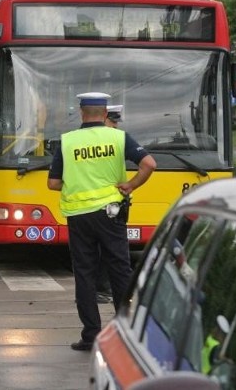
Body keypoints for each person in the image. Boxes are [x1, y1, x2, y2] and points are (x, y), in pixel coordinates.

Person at [48, 92, 156, 351]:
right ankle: (126, 332)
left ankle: (91, 335)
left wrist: (76, 182)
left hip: (79, 216)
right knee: (120, 269)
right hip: (111, 213)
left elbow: (53, 183)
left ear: (81, 113)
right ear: (105, 114)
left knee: (84, 274)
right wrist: (130, 185)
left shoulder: (68, 141)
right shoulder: (118, 137)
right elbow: (149, 164)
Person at [95, 104, 124, 304]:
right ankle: (100, 289)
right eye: (111, 122)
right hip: (100, 207)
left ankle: (103, 289)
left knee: (106, 252)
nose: (114, 126)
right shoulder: (101, 142)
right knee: (104, 251)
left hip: (110, 206)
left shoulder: (114, 139)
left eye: (115, 122)